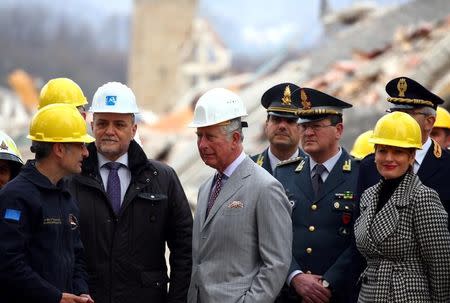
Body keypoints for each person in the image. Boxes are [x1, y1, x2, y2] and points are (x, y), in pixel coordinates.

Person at [67, 82, 193, 303]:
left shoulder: (163, 179)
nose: (109, 131)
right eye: (103, 123)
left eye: (119, 124)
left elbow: (184, 250)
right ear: (92, 125)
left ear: (134, 129)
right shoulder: (71, 179)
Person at [187, 88, 292, 303]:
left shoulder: (265, 187)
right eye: (199, 136)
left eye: (210, 137)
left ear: (235, 138)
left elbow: (276, 264)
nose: (202, 145)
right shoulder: (206, 188)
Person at [0, 103, 94, 303]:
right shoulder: (16, 197)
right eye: (81, 145)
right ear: (59, 149)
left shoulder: (66, 199)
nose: (86, 153)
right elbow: (9, 263)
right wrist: (56, 297)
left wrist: (81, 292)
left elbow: (77, 257)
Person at [275, 87, 361, 303]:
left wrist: (327, 284)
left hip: (338, 294)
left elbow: (361, 240)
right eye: (304, 126)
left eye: (316, 126)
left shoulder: (361, 173)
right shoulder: (283, 173)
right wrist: (295, 277)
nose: (308, 133)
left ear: (339, 130)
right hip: (292, 293)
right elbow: (274, 235)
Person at [355, 111, 450, 302]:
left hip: (407, 296)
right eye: (382, 150)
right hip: (369, 295)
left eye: (398, 151)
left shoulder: (423, 196)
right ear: (374, 155)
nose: (389, 158)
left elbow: (441, 265)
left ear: (412, 156)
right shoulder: (368, 195)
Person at [357, 77, 450, 217]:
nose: (398, 121)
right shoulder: (370, 165)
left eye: (406, 115)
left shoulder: (447, 165)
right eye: (395, 114)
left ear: (429, 122)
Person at [251, 83, 305, 174]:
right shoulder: (248, 168)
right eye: (276, 119)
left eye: (290, 121)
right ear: (267, 124)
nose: (282, 126)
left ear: (301, 127)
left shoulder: (313, 170)